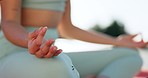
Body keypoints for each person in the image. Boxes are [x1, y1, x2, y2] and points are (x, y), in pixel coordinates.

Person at [0, 0, 147, 78]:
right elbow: (9, 22)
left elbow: (67, 29)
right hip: (13, 54)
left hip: (51, 53)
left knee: (130, 56)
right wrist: (30, 41)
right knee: (58, 67)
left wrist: (117, 41)